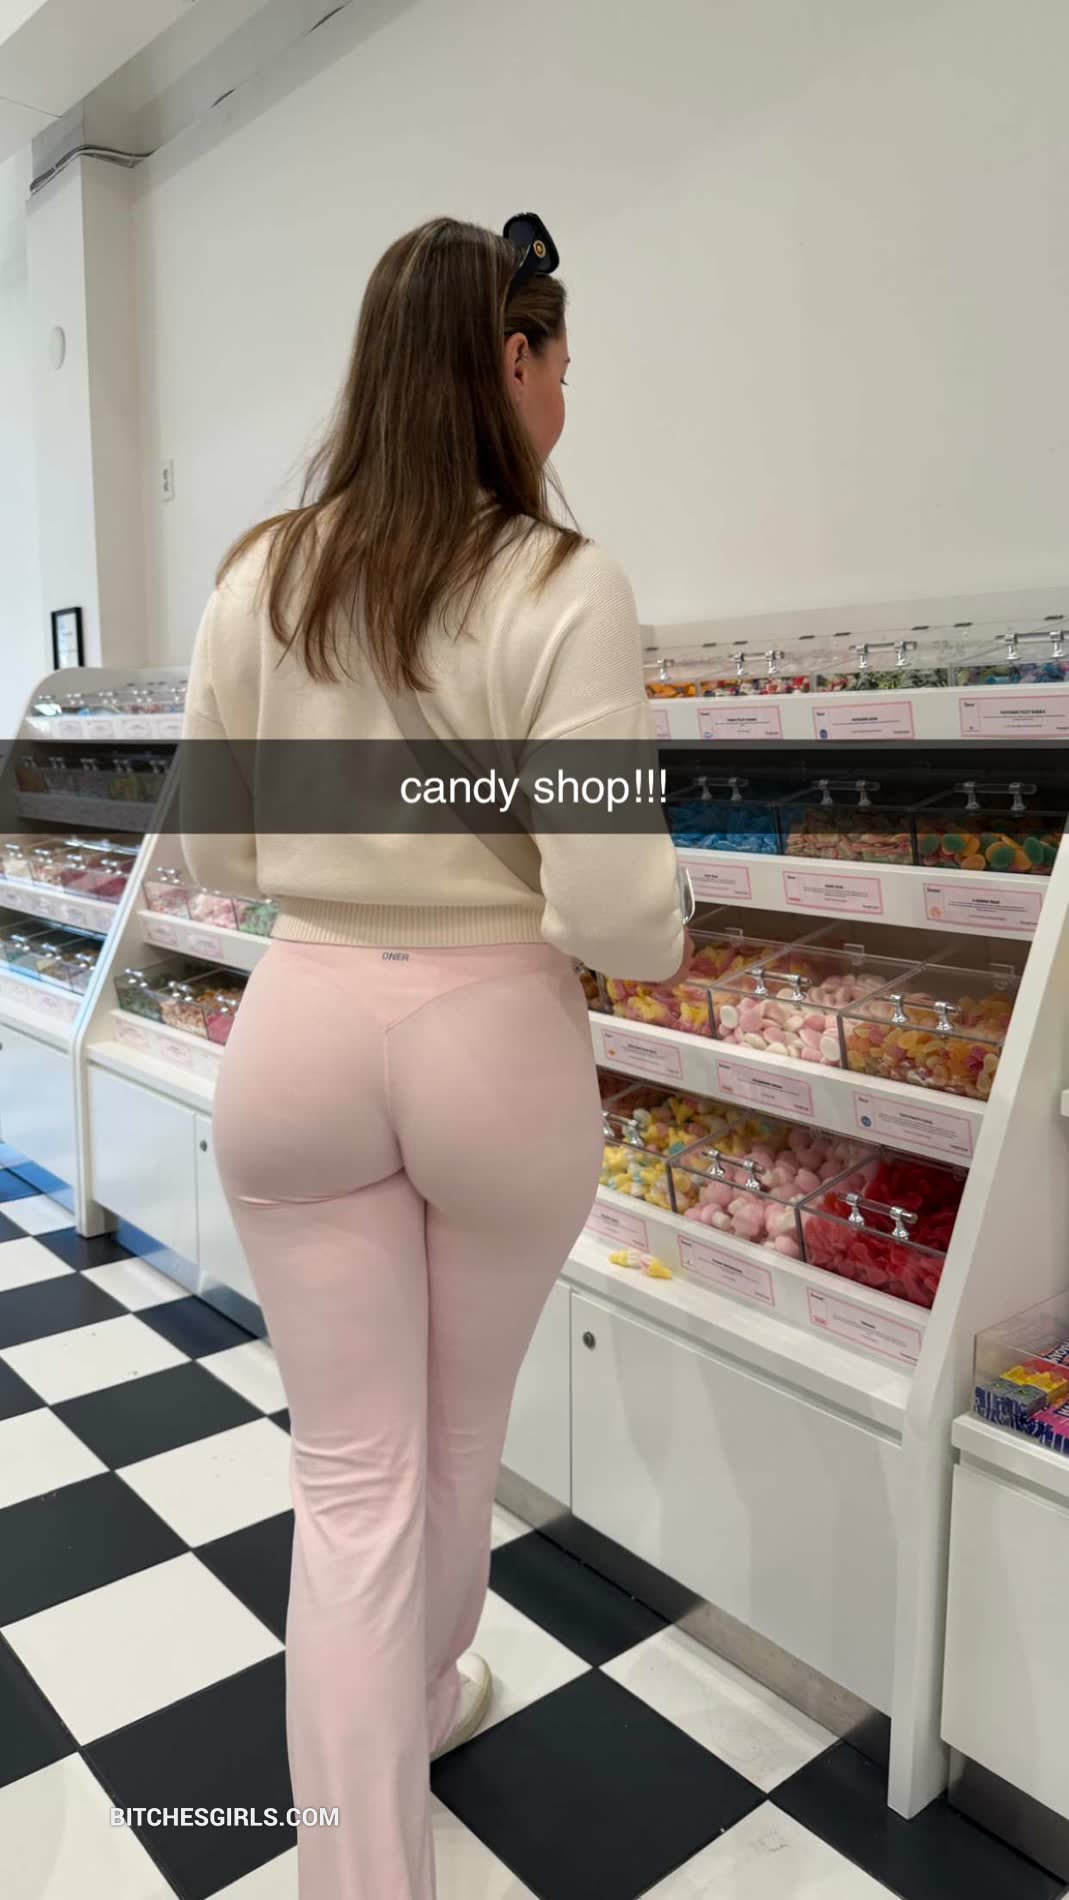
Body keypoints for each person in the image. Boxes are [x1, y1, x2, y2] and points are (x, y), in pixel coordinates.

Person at [182, 213, 691, 1900]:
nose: (564, 400)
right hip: (494, 1039)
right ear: (511, 360)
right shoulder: (561, 581)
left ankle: (357, 1848)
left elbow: (218, 854)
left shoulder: (263, 572)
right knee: (457, 1448)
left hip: (301, 1027)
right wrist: (652, 911)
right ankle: (422, 1696)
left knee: (349, 1483)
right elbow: (616, 911)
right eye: (560, 364)